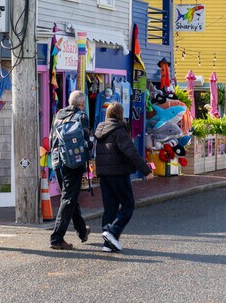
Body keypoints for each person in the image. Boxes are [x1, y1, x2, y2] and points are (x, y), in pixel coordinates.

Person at [95, 102, 153, 252]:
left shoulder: (101, 129)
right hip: (118, 173)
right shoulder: (119, 131)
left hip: (104, 174)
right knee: (128, 204)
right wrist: (146, 170)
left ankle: (108, 244)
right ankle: (112, 232)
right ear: (121, 114)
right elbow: (131, 153)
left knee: (110, 208)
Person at [49, 90, 93, 250]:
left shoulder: (59, 115)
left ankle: (82, 231)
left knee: (70, 196)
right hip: (73, 163)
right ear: (82, 104)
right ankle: (57, 238)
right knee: (68, 198)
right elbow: (86, 142)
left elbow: (51, 138)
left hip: (56, 161)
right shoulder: (81, 116)